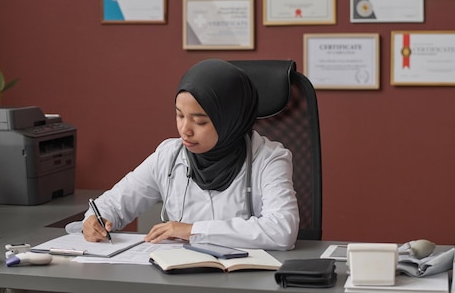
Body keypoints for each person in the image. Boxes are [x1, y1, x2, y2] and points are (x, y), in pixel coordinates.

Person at [82, 59, 299, 250]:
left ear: (230, 119)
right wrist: (95, 219)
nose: (185, 129)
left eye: (200, 121)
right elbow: (111, 204)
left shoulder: (269, 159)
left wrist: (192, 230)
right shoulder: (169, 155)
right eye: (179, 115)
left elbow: (282, 230)